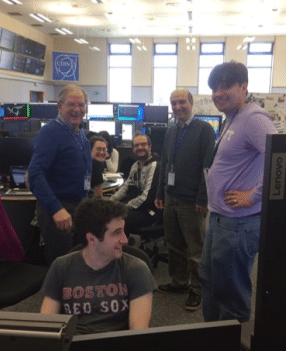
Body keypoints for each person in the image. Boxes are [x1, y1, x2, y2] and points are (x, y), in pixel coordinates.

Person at [200, 61, 276, 322]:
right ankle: (211, 336)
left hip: (238, 223)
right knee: (210, 281)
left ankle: (230, 341)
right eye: (214, 88)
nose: (217, 94)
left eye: (224, 87)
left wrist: (254, 195)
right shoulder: (233, 118)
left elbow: (281, 158)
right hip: (221, 219)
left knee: (231, 294)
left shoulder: (254, 118)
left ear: (243, 87)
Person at [40, 198, 157, 335]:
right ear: (91, 239)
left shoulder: (136, 269)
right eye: (116, 233)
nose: (125, 240)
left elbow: (138, 333)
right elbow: (47, 326)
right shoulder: (61, 267)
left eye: (123, 231)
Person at [155, 88, 215, 312]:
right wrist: (160, 193)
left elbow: (207, 167)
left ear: (191, 103)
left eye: (182, 102)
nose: (178, 107)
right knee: (173, 244)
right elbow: (165, 163)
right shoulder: (171, 130)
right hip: (170, 198)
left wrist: (203, 197)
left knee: (195, 249)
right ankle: (179, 282)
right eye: (174, 103)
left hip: (192, 201)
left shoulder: (204, 130)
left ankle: (197, 289)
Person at [28, 85, 92, 265]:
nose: (77, 109)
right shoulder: (50, 132)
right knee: (62, 266)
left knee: (77, 260)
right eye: (72, 104)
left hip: (77, 206)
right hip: (59, 208)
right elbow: (35, 173)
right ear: (59, 106)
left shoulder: (77, 131)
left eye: (81, 105)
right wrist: (55, 209)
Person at [110, 133, 160, 236]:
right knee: (111, 214)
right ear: (133, 149)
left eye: (143, 144)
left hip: (151, 211)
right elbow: (125, 187)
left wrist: (123, 206)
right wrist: (111, 201)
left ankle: (123, 248)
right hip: (140, 207)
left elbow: (146, 197)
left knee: (118, 219)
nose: (140, 147)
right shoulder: (136, 165)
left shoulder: (155, 165)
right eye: (136, 145)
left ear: (149, 147)